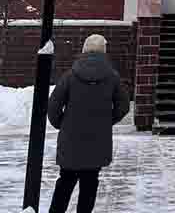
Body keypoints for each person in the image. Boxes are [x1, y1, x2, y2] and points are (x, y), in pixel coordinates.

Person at [47, 35, 130, 213]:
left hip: (71, 141)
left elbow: (53, 105)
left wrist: (62, 124)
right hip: (98, 142)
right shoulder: (113, 77)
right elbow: (123, 106)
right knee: (90, 184)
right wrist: (108, 121)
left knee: (65, 182)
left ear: (84, 50)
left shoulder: (70, 75)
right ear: (104, 51)